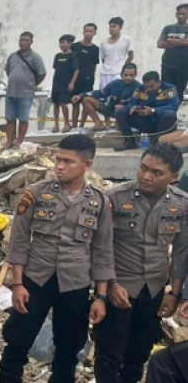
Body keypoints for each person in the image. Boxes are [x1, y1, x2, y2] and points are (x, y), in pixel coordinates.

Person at [0, 134, 113, 383]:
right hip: (36, 278)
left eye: (68, 161)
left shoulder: (99, 202)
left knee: (68, 350)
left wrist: (101, 297)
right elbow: (18, 242)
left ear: (87, 164)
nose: (59, 166)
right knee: (17, 343)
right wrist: (17, 284)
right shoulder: (36, 193)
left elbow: (103, 252)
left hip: (75, 283)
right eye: (57, 159)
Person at [94, 144, 188, 383]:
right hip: (120, 288)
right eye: (143, 168)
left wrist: (175, 294)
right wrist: (110, 285)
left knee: (139, 352)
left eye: (157, 173)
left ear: (174, 177)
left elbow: (181, 252)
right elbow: (101, 246)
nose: (146, 176)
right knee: (109, 354)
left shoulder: (181, 203)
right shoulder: (115, 197)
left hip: (154, 289)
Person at [114, 71, 179, 151]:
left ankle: (160, 144)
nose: (148, 89)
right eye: (146, 86)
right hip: (145, 120)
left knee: (169, 114)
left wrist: (153, 110)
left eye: (151, 86)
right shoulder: (140, 89)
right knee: (120, 111)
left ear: (159, 82)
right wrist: (134, 108)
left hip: (161, 122)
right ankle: (129, 142)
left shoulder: (169, 89)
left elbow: (173, 106)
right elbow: (131, 103)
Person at [4, 31, 46, 148]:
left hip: (26, 93)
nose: (23, 42)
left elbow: (42, 73)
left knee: (23, 119)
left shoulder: (35, 57)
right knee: (10, 119)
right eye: (21, 40)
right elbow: (8, 71)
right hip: (11, 91)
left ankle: (19, 142)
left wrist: (33, 84)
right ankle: (9, 142)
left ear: (31, 42)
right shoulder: (12, 56)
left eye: (26, 40)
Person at [72, 63, 140, 131]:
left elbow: (140, 104)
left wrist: (124, 107)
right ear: (121, 75)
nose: (128, 77)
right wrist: (81, 95)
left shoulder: (139, 88)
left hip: (125, 113)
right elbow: (100, 93)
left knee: (120, 125)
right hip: (109, 108)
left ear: (135, 75)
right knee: (86, 99)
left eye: (131, 75)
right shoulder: (115, 83)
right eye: (126, 75)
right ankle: (98, 123)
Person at [70, 23, 100, 128]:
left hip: (87, 80)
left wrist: (92, 78)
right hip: (75, 80)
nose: (88, 33)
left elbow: (94, 65)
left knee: (85, 103)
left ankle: (81, 126)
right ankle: (74, 126)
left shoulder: (96, 49)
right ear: (83, 32)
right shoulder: (74, 46)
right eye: (86, 31)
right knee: (75, 103)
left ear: (94, 33)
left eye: (90, 31)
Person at [158, 3, 188, 104]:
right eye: (178, 13)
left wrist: (170, 40)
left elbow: (187, 42)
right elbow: (160, 44)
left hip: (183, 66)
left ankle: (173, 113)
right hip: (167, 65)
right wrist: (180, 43)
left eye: (183, 13)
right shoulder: (168, 28)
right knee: (166, 91)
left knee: (178, 91)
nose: (180, 16)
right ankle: (166, 112)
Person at [51, 34, 80, 133]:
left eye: (64, 42)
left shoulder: (72, 55)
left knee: (63, 104)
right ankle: (56, 124)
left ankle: (67, 123)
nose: (61, 45)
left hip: (66, 84)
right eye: (60, 43)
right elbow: (56, 70)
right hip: (56, 84)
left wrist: (72, 83)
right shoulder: (57, 56)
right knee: (55, 104)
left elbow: (76, 70)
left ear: (70, 43)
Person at [101, 17, 134, 89]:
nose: (112, 29)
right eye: (110, 27)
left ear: (120, 27)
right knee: (103, 95)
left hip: (118, 72)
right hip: (105, 73)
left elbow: (131, 56)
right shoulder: (103, 43)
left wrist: (124, 66)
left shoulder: (126, 39)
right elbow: (103, 59)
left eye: (114, 27)